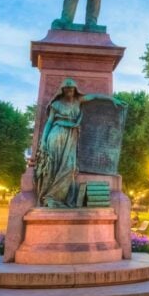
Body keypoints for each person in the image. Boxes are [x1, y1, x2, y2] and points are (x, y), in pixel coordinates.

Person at [33, 77, 121, 208]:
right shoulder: (56, 105)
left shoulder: (78, 100)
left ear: (75, 90)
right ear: (62, 90)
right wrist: (43, 141)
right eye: (67, 89)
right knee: (54, 167)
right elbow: (49, 123)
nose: (70, 91)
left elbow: (94, 96)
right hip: (57, 135)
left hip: (71, 136)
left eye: (72, 89)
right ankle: (50, 198)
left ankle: (56, 196)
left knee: (69, 167)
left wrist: (111, 99)